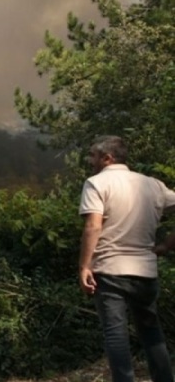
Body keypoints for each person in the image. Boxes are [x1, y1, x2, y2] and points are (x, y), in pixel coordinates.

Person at [79, 135, 175, 382]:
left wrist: (84, 266)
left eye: (94, 156)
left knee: (115, 335)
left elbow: (93, 227)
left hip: (110, 270)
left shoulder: (96, 183)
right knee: (151, 331)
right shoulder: (153, 185)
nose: (91, 161)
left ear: (107, 158)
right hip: (145, 271)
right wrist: (165, 245)